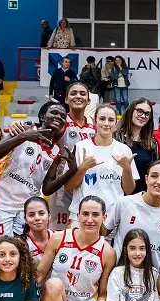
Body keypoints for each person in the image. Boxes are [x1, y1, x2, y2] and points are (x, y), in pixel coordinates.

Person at [0, 102, 72, 240]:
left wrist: (71, 172)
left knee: (21, 251)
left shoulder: (56, 152)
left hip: (26, 209)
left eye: (63, 116)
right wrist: (23, 136)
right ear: (43, 117)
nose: (59, 117)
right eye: (54, 113)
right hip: (1, 202)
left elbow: (47, 189)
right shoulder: (24, 129)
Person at [62, 106, 137, 227]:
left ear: (116, 123)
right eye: (102, 119)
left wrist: (127, 169)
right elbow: (69, 186)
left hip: (112, 217)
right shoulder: (80, 147)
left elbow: (128, 190)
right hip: (82, 216)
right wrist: (83, 168)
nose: (106, 123)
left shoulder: (124, 150)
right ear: (94, 121)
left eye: (111, 120)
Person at [104, 160, 160, 274]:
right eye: (154, 176)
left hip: (156, 280)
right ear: (146, 179)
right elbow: (103, 233)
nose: (158, 181)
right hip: (122, 276)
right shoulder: (125, 203)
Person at [50, 82, 96, 230]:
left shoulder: (95, 125)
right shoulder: (59, 123)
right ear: (66, 99)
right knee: (59, 233)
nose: (78, 96)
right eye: (73, 93)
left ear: (88, 100)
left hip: (88, 185)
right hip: (62, 186)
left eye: (83, 94)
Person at [113, 98, 158, 193]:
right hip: (117, 196)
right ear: (130, 111)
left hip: (141, 197)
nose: (143, 116)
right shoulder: (115, 137)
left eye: (147, 113)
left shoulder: (151, 143)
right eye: (139, 111)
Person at [22, 196, 53, 267]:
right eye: (31, 215)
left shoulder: (59, 238)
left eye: (41, 213)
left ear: (49, 216)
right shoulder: (21, 244)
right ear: (25, 220)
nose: (37, 218)